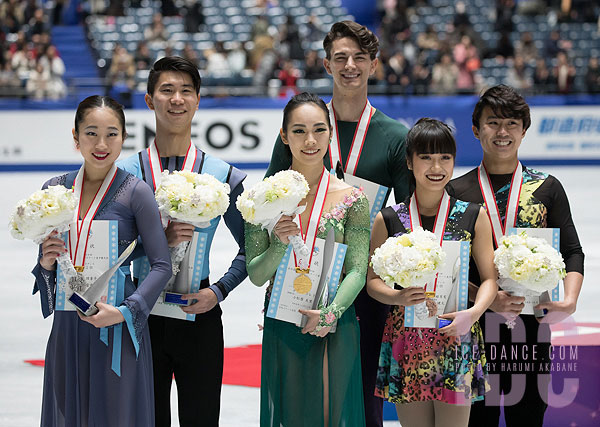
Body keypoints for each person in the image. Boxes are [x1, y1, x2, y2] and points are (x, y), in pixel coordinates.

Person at [264, 21, 410, 426]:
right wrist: (276, 288)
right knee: (299, 398)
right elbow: (269, 204)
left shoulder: (395, 136)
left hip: (366, 287)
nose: (350, 66)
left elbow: (409, 215)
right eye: (340, 57)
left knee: (363, 401)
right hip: (301, 280)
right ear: (327, 64)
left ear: (374, 65)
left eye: (359, 58)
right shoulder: (303, 128)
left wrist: (364, 230)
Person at [117, 56, 247, 427]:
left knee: (202, 419)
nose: (177, 99)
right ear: (149, 100)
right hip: (141, 314)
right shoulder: (125, 173)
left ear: (197, 100)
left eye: (185, 91)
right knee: (146, 419)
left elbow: (250, 249)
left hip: (198, 313)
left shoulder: (222, 175)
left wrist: (218, 292)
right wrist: (155, 242)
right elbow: (113, 252)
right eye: (167, 90)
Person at [446, 85, 585, 427]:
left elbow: (572, 251)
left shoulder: (547, 187)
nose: (503, 132)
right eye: (493, 123)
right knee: (477, 421)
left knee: (529, 419)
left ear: (524, 130)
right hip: (474, 329)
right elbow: (446, 267)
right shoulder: (456, 191)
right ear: (476, 129)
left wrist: (568, 301)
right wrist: (486, 300)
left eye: (511, 123)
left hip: (532, 328)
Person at [32, 95, 172, 426]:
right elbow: (47, 278)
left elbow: (161, 264)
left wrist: (126, 312)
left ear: (124, 137)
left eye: (112, 133)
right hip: (68, 325)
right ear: (75, 136)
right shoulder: (54, 190)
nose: (101, 143)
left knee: (116, 413)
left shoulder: (136, 192)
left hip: (115, 322)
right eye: (91, 132)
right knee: (68, 411)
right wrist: (46, 264)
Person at [246, 91, 370, 427]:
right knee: (294, 416)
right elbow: (256, 275)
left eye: (319, 130)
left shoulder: (354, 198)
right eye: (299, 131)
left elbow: (358, 270)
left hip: (334, 321)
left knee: (333, 415)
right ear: (284, 136)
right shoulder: (262, 198)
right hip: (284, 319)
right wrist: (280, 245)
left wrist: (331, 314)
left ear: (331, 133)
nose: (310, 140)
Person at [368, 118, 498, 427]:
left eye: (444, 157)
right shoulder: (388, 219)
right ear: (410, 162)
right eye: (425, 157)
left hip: (455, 334)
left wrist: (475, 312)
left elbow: (490, 279)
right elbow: (372, 282)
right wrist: (397, 295)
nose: (435, 166)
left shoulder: (473, 215)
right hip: (406, 338)